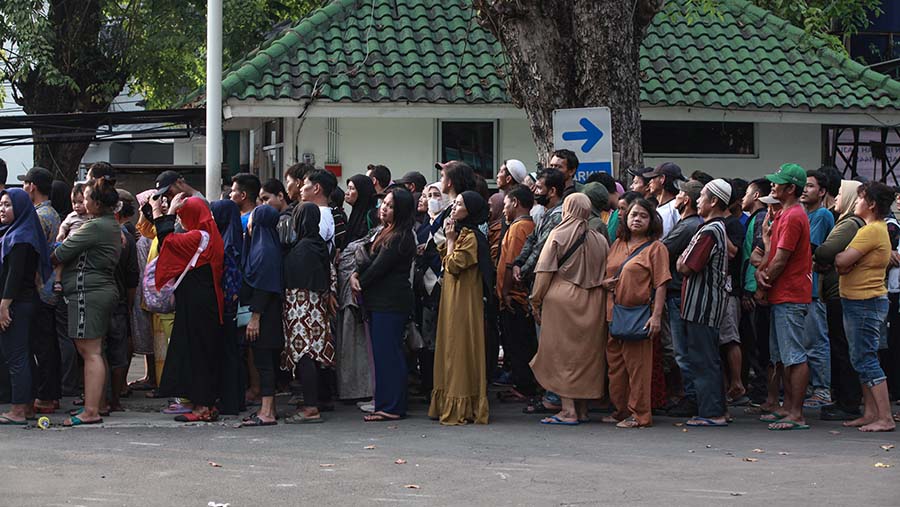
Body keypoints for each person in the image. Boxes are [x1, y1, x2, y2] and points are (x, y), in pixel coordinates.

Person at [530, 193, 609, 425]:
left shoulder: (558, 234)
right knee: (586, 357)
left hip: (562, 300)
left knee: (561, 355)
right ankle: (582, 409)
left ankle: (567, 411)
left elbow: (543, 272)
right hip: (594, 300)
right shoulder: (599, 238)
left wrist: (535, 300)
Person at [51, 178, 122, 426]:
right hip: (99, 291)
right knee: (95, 351)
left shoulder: (94, 227)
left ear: (96, 202)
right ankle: (98, 404)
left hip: (88, 293)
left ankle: (91, 411)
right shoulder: (107, 224)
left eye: (87, 196)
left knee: (89, 351)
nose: (83, 200)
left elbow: (59, 253)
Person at [152, 195, 225, 423]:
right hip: (207, 301)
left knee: (198, 354)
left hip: (197, 304)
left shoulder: (198, 236)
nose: (181, 221)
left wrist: (165, 213)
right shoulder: (212, 235)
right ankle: (206, 403)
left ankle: (202, 407)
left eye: (183, 216)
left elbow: (168, 242)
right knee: (205, 352)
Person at [602, 198, 670, 428]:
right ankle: (621, 410)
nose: (637, 219)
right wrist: (606, 283)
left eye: (643, 215)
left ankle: (640, 414)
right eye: (633, 215)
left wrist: (657, 316)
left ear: (651, 220)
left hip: (639, 315)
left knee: (638, 369)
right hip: (613, 313)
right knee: (616, 369)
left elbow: (661, 284)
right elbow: (607, 272)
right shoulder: (618, 244)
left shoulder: (656, 248)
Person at [350, 188, 416, 421]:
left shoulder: (401, 236)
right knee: (381, 354)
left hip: (391, 302)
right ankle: (385, 402)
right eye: (384, 204)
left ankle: (392, 406)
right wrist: (355, 274)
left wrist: (359, 279)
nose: (383, 208)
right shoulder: (385, 231)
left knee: (389, 354)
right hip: (379, 301)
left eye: (389, 205)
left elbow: (379, 267)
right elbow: (369, 258)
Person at [834, 182, 895, 432]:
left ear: (871, 204)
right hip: (862, 301)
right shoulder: (875, 229)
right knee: (862, 357)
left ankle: (885, 417)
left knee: (866, 359)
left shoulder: (871, 231)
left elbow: (841, 260)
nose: (855, 203)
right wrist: (847, 264)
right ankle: (871, 412)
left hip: (864, 302)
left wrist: (846, 262)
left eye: (860, 199)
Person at [755, 163, 813, 431]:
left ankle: (796, 413)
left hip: (790, 294)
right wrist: (762, 274)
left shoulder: (792, 216)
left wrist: (764, 281)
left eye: (778, 183)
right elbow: (771, 256)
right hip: (783, 294)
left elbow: (780, 260)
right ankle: (788, 407)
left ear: (791, 188)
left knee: (793, 356)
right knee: (783, 355)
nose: (773, 186)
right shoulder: (783, 214)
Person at [429, 191, 494, 425]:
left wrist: (450, 240)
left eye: (459, 204)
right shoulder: (461, 233)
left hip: (464, 298)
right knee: (450, 344)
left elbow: (453, 264)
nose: (454, 207)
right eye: (454, 203)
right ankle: (447, 398)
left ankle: (462, 404)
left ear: (471, 210)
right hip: (453, 295)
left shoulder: (471, 237)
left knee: (460, 347)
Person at [676, 180, 732, 427]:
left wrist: (681, 260)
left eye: (701, 197)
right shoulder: (712, 228)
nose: (697, 200)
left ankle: (712, 412)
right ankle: (716, 409)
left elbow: (687, 265)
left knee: (703, 359)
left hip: (702, 305)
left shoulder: (710, 231)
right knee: (708, 358)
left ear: (714, 202)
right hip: (703, 304)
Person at [0, 188, 51, 425]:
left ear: (20, 208)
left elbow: (15, 275)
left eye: (8, 205)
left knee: (16, 356)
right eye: (1, 205)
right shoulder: (16, 232)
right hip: (22, 302)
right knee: (23, 355)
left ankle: (18, 410)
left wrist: (3, 306)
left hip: (16, 303)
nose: (2, 209)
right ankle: (27, 407)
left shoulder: (20, 237)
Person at [282, 203, 335, 424]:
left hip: (300, 308)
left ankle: (311, 407)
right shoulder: (319, 244)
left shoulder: (301, 248)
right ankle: (319, 399)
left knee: (304, 355)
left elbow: (293, 278)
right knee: (314, 355)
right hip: (317, 309)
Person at [19, 166, 62, 414]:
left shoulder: (39, 216)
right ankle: (50, 394)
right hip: (50, 286)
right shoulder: (52, 213)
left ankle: (46, 395)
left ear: (32, 186)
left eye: (25, 184)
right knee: (48, 344)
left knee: (42, 346)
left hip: (40, 287)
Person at [661, 180, 704, 417]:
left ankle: (692, 397)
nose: (675, 197)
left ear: (686, 199)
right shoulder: (688, 223)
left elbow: (661, 250)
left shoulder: (688, 226)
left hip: (679, 294)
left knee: (682, 351)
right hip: (679, 293)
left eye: (679, 193)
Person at [239, 205, 284, 427]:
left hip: (265, 315)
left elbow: (264, 285)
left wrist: (255, 316)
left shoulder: (264, 250)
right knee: (265, 361)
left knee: (264, 362)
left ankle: (267, 412)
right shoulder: (268, 244)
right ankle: (269, 407)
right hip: (268, 313)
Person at [496, 185, 536, 402]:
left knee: (518, 344)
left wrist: (505, 292)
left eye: (505, 204)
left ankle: (524, 387)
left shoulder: (520, 228)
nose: (503, 209)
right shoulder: (525, 225)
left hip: (515, 297)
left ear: (515, 203)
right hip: (517, 296)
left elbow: (512, 263)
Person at [802, 169, 835, 408]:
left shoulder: (821, 215)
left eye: (811, 186)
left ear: (822, 192)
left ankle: (822, 389)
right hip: (804, 286)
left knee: (816, 340)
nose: (805, 189)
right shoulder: (805, 214)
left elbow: (809, 250)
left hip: (814, 288)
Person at [209, 199, 245, 415]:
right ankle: (235, 400)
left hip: (227, 308)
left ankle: (229, 401)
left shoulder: (227, 243)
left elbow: (230, 280)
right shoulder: (235, 238)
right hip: (232, 307)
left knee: (228, 356)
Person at [106, 190, 140, 413]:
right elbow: (131, 278)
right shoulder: (126, 237)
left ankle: (100, 399)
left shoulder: (92, 232)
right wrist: (128, 305)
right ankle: (114, 399)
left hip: (103, 301)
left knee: (98, 352)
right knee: (116, 352)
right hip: (118, 300)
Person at [739, 178, 772, 404]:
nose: (743, 198)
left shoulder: (761, 218)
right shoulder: (754, 219)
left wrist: (752, 290)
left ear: (757, 195)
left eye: (747, 193)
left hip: (755, 291)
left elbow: (760, 258)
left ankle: (762, 394)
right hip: (751, 289)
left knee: (760, 346)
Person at [512, 168, 566, 285]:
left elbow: (540, 248)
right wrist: (518, 262)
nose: (535, 192)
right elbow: (531, 239)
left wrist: (522, 271)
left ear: (552, 191)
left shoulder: (558, 216)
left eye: (539, 188)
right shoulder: (547, 213)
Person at [644, 162, 686, 237]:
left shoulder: (675, 207)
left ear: (662, 179)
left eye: (653, 178)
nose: (650, 182)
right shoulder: (660, 207)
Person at [299, 169, 337, 249]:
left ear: (316, 188)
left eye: (305, 184)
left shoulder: (321, 215)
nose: (301, 189)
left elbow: (313, 248)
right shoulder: (324, 212)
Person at [345, 174, 379, 245]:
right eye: (348, 188)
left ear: (362, 192)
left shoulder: (372, 215)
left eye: (352, 189)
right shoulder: (355, 213)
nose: (347, 193)